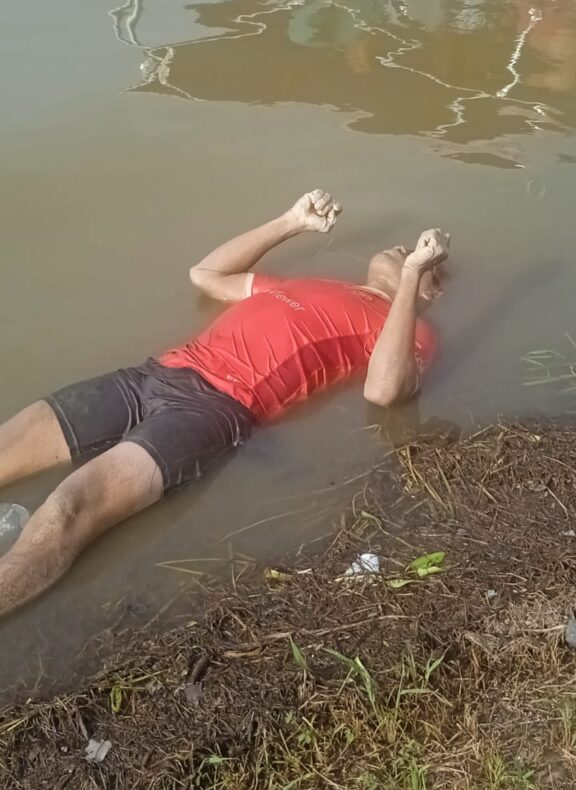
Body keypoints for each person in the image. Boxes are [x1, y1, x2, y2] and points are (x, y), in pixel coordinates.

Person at [0, 190, 449, 618]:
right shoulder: (307, 284)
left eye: (418, 254)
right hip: (153, 374)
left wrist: (411, 278)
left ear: (434, 290)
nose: (403, 247)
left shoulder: (412, 330)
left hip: (213, 411)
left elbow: (384, 392)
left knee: (67, 510)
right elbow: (205, 275)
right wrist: (291, 221)